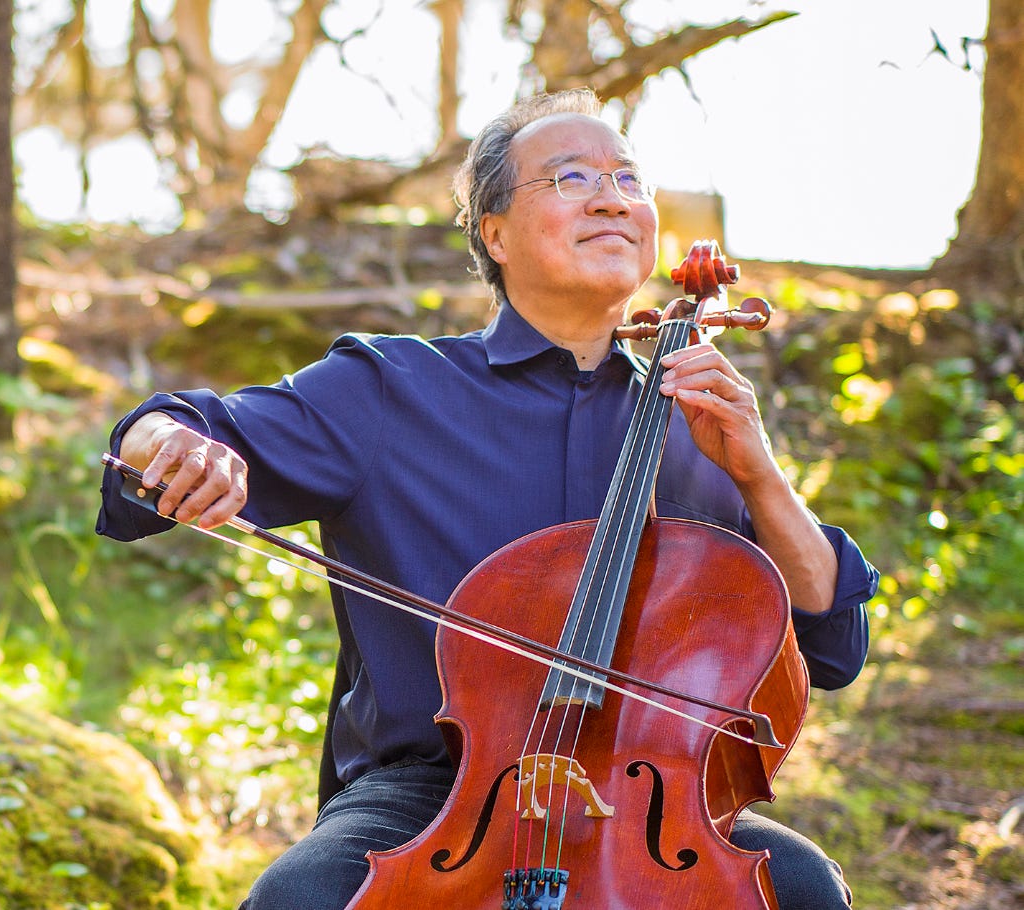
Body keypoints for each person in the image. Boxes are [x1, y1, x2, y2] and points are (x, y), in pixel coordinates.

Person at [97, 89, 878, 910]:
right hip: (432, 796)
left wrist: (758, 474)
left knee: (800, 889)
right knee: (302, 898)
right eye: (571, 178)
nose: (610, 198)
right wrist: (168, 444)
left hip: (657, 801)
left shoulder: (701, 421)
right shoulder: (390, 387)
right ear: (493, 233)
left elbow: (830, 648)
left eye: (628, 179)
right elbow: (171, 431)